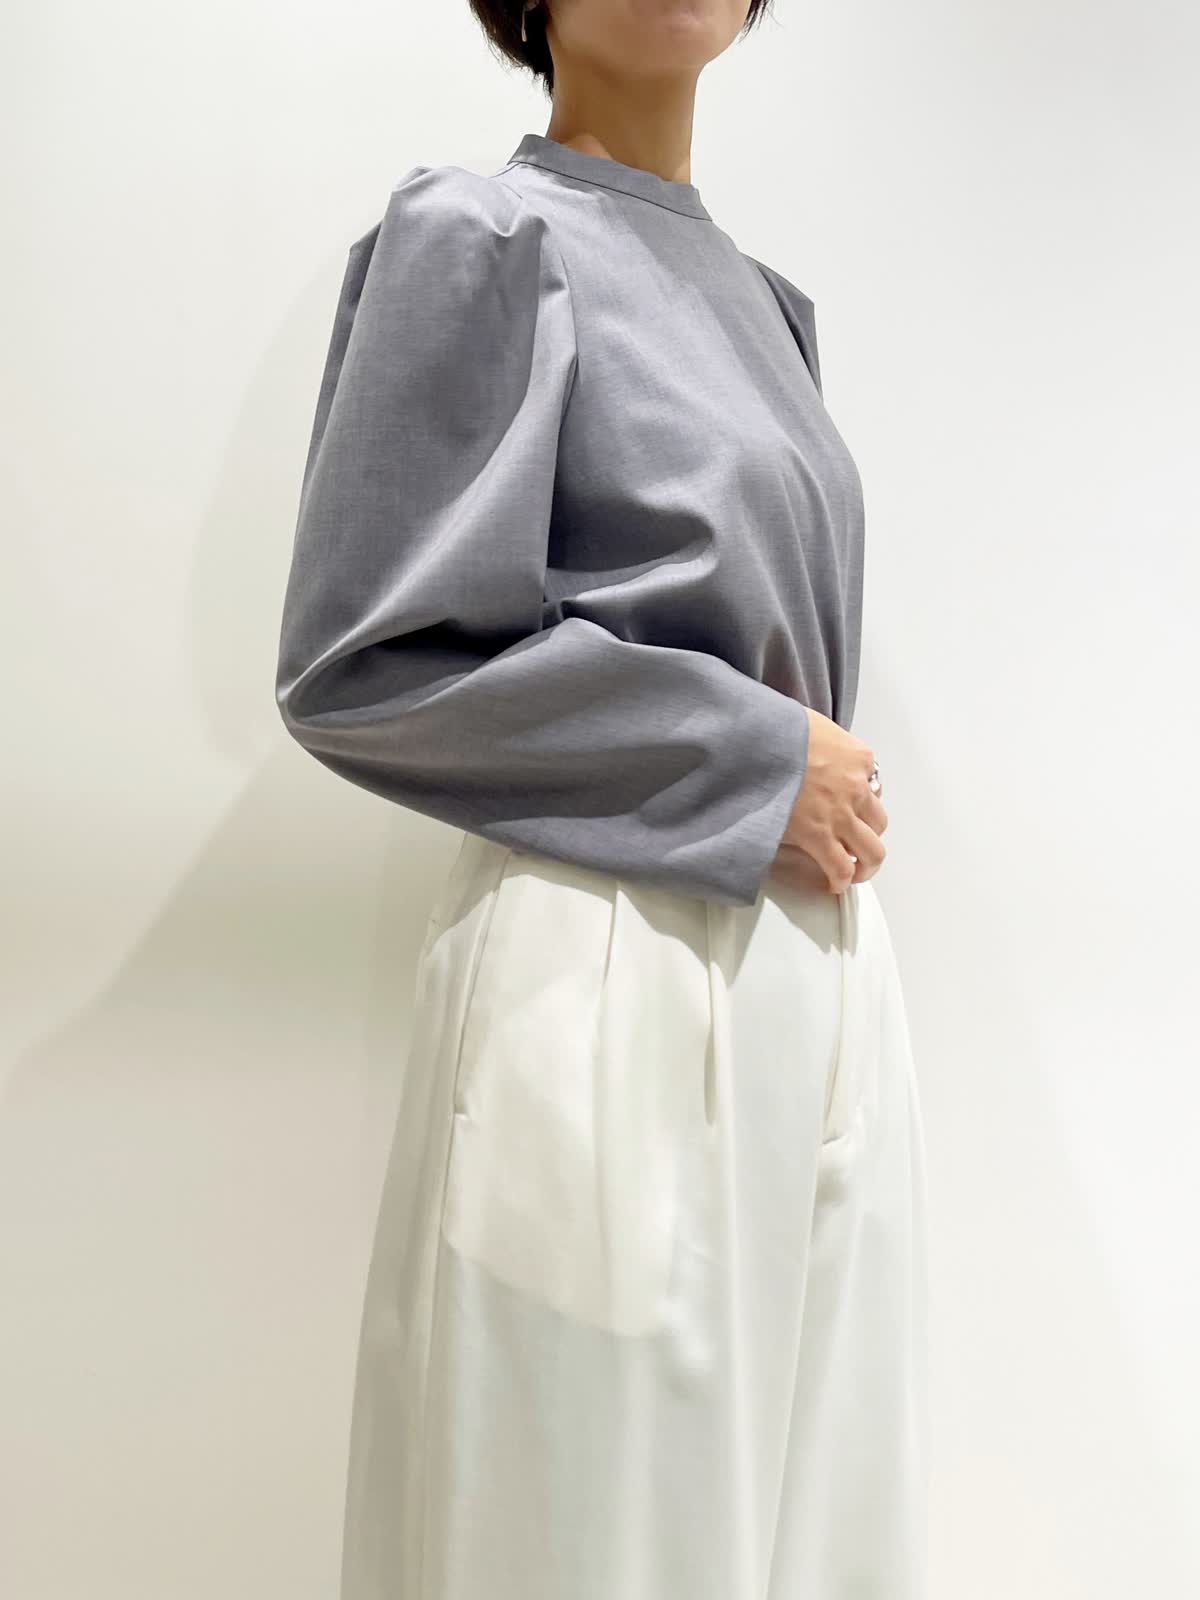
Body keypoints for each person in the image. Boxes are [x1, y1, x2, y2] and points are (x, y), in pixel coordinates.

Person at [273, 3, 929, 1596]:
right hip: (612, 960)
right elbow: (364, 659)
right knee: (585, 1538)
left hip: (821, 976)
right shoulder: (483, 234)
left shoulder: (766, 306)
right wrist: (751, 758)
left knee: (817, 1537)